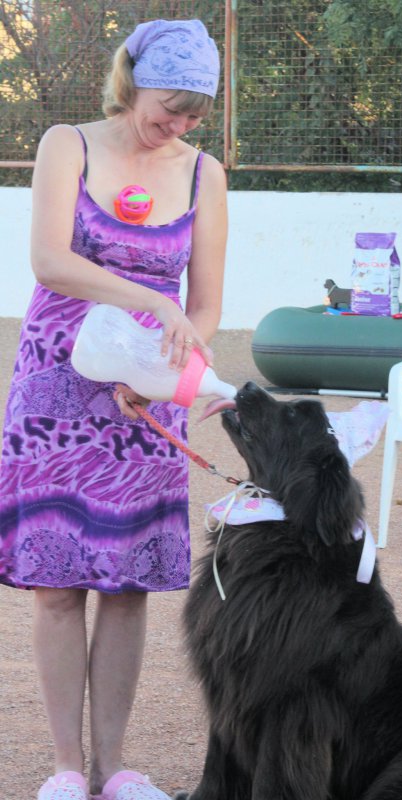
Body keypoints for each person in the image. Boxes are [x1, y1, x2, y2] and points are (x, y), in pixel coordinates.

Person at [0, 18, 227, 800]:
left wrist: (172, 366)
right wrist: (142, 301)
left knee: (126, 585)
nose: (181, 125)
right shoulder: (70, 143)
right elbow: (49, 261)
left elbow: (203, 306)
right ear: (132, 82)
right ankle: (65, 769)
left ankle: (113, 769)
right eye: (171, 107)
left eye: (197, 114)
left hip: (141, 397)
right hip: (54, 388)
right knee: (58, 584)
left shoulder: (205, 176)